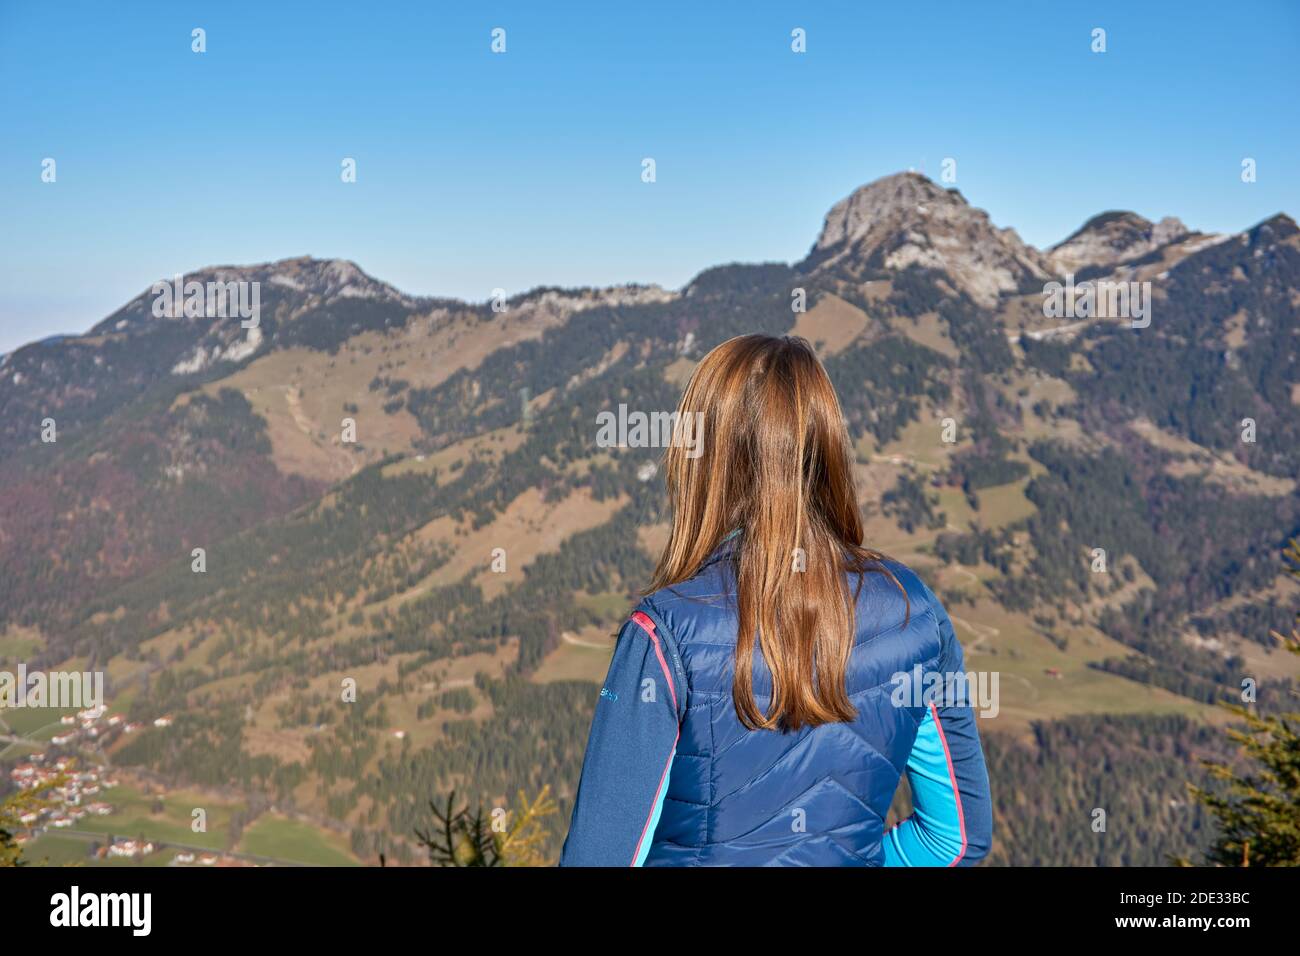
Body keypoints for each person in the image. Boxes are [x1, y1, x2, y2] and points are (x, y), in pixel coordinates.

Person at [559, 334, 992, 867]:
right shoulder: (915, 615)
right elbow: (956, 841)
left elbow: (596, 858)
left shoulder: (663, 633)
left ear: (705, 461)